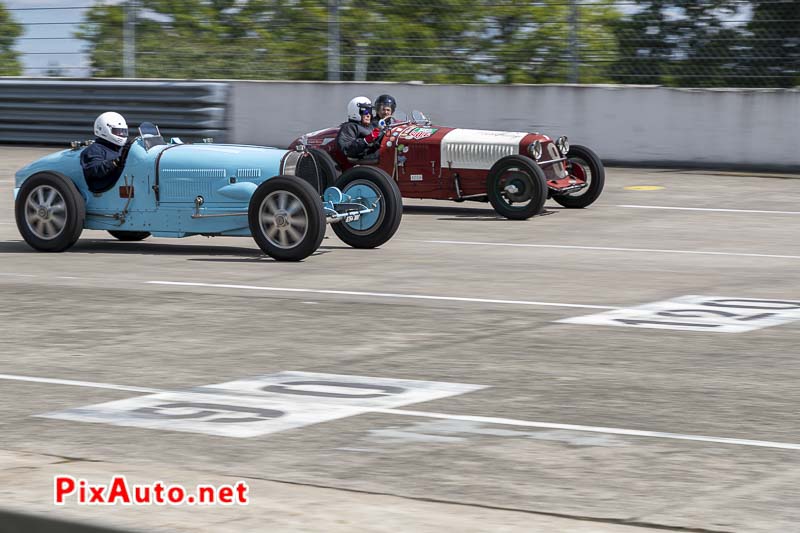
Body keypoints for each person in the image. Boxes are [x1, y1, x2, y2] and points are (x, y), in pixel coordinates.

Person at [80, 111, 128, 193]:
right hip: (107, 187)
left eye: (123, 131)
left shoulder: (122, 148)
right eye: (117, 131)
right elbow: (93, 170)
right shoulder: (94, 150)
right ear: (104, 130)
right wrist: (115, 162)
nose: (121, 134)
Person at [336, 96, 383, 160]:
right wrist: (366, 140)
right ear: (355, 112)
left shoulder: (373, 125)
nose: (368, 115)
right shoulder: (350, 127)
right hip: (364, 160)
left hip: (377, 154)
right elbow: (347, 149)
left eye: (369, 111)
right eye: (365, 112)